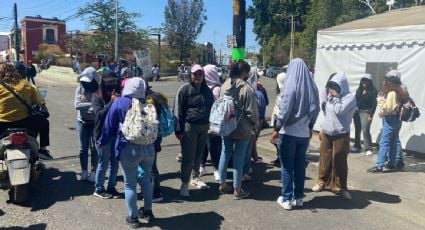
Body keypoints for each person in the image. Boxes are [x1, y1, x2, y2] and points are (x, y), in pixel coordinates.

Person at [98, 78, 155, 228]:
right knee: (146, 180)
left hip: (129, 148)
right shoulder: (149, 102)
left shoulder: (120, 102)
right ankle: (148, 211)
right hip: (149, 148)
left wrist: (102, 141)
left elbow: (108, 125)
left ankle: (133, 217)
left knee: (130, 184)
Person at [270, 58, 320, 210]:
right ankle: (298, 198)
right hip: (304, 134)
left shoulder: (290, 86)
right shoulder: (312, 87)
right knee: (300, 167)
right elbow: (316, 109)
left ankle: (286, 199)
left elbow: (284, 111)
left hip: (288, 133)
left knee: (286, 167)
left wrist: (276, 129)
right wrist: (310, 126)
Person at [218, 60, 259, 200]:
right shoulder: (246, 89)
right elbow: (252, 112)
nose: (248, 75)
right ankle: (237, 189)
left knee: (225, 152)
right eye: (247, 72)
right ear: (243, 73)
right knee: (239, 157)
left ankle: (222, 184)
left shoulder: (224, 86)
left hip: (226, 126)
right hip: (242, 128)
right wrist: (254, 124)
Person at [312, 72, 356, 200]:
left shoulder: (349, 97)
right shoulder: (329, 96)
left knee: (340, 160)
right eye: (331, 85)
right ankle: (322, 182)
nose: (332, 89)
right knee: (324, 158)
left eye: (336, 86)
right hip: (327, 131)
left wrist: (335, 97)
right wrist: (321, 128)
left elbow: (339, 110)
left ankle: (341, 187)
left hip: (341, 133)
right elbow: (327, 113)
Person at [173, 64, 214, 197]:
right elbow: (178, 110)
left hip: (204, 126)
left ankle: (195, 177)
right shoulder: (184, 89)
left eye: (200, 74)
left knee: (199, 155)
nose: (197, 77)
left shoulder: (207, 90)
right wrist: (178, 130)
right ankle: (184, 183)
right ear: (190, 75)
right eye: (195, 74)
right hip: (189, 127)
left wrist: (211, 125)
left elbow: (212, 108)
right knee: (188, 157)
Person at [367, 70, 406, 173]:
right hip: (397, 119)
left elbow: (388, 108)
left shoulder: (392, 92)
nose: (384, 81)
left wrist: (380, 99)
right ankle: (391, 163)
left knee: (384, 142)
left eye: (387, 79)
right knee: (393, 141)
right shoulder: (400, 89)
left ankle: (379, 166)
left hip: (390, 119)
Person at [92, 71, 121, 199]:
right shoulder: (97, 96)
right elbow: (99, 115)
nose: (112, 84)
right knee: (103, 163)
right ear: (103, 82)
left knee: (115, 162)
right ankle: (99, 188)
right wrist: (111, 102)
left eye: (114, 81)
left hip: (116, 133)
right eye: (109, 82)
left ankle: (111, 187)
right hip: (102, 134)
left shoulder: (119, 94)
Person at [0, 62, 43, 137]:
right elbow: (40, 103)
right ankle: (42, 148)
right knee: (43, 121)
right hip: (24, 122)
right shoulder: (27, 85)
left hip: (2, 124)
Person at [75, 67, 99, 182]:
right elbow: (77, 105)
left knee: (95, 148)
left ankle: (94, 172)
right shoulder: (79, 88)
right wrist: (92, 105)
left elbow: (101, 105)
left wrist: (89, 106)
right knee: (82, 148)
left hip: (95, 123)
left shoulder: (98, 89)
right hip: (82, 122)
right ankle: (84, 171)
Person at [200, 64, 222, 181]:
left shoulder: (217, 89)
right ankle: (203, 166)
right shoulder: (204, 87)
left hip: (213, 123)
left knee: (213, 146)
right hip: (206, 122)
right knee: (205, 145)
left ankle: (216, 168)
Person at [351, 74, 378, 155]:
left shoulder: (373, 91)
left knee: (365, 129)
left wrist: (371, 114)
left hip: (366, 112)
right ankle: (357, 145)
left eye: (366, 80)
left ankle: (368, 148)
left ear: (370, 81)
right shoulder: (359, 90)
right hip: (357, 112)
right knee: (357, 129)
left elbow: (374, 104)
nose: (364, 82)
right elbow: (355, 101)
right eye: (363, 80)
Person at [270, 68, 286, 167]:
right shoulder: (281, 92)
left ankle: (281, 158)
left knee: (277, 140)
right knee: (276, 141)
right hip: (277, 119)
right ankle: (279, 157)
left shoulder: (285, 94)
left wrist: (277, 127)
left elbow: (282, 111)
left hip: (281, 122)